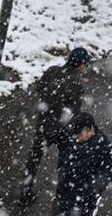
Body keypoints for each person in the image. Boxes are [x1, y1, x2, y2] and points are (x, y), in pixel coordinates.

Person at [36, 112, 112, 216]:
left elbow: (107, 176)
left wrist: (90, 190)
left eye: (81, 133)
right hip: (66, 190)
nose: (77, 136)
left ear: (92, 129)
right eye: (76, 133)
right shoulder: (71, 135)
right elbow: (56, 137)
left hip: (84, 197)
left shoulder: (104, 148)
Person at [20, 47, 92, 206]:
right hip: (61, 129)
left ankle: (26, 192)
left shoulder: (52, 71)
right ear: (81, 65)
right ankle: (62, 197)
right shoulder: (76, 84)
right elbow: (74, 111)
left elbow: (39, 89)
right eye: (85, 64)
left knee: (34, 159)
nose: (85, 67)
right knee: (65, 162)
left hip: (44, 124)